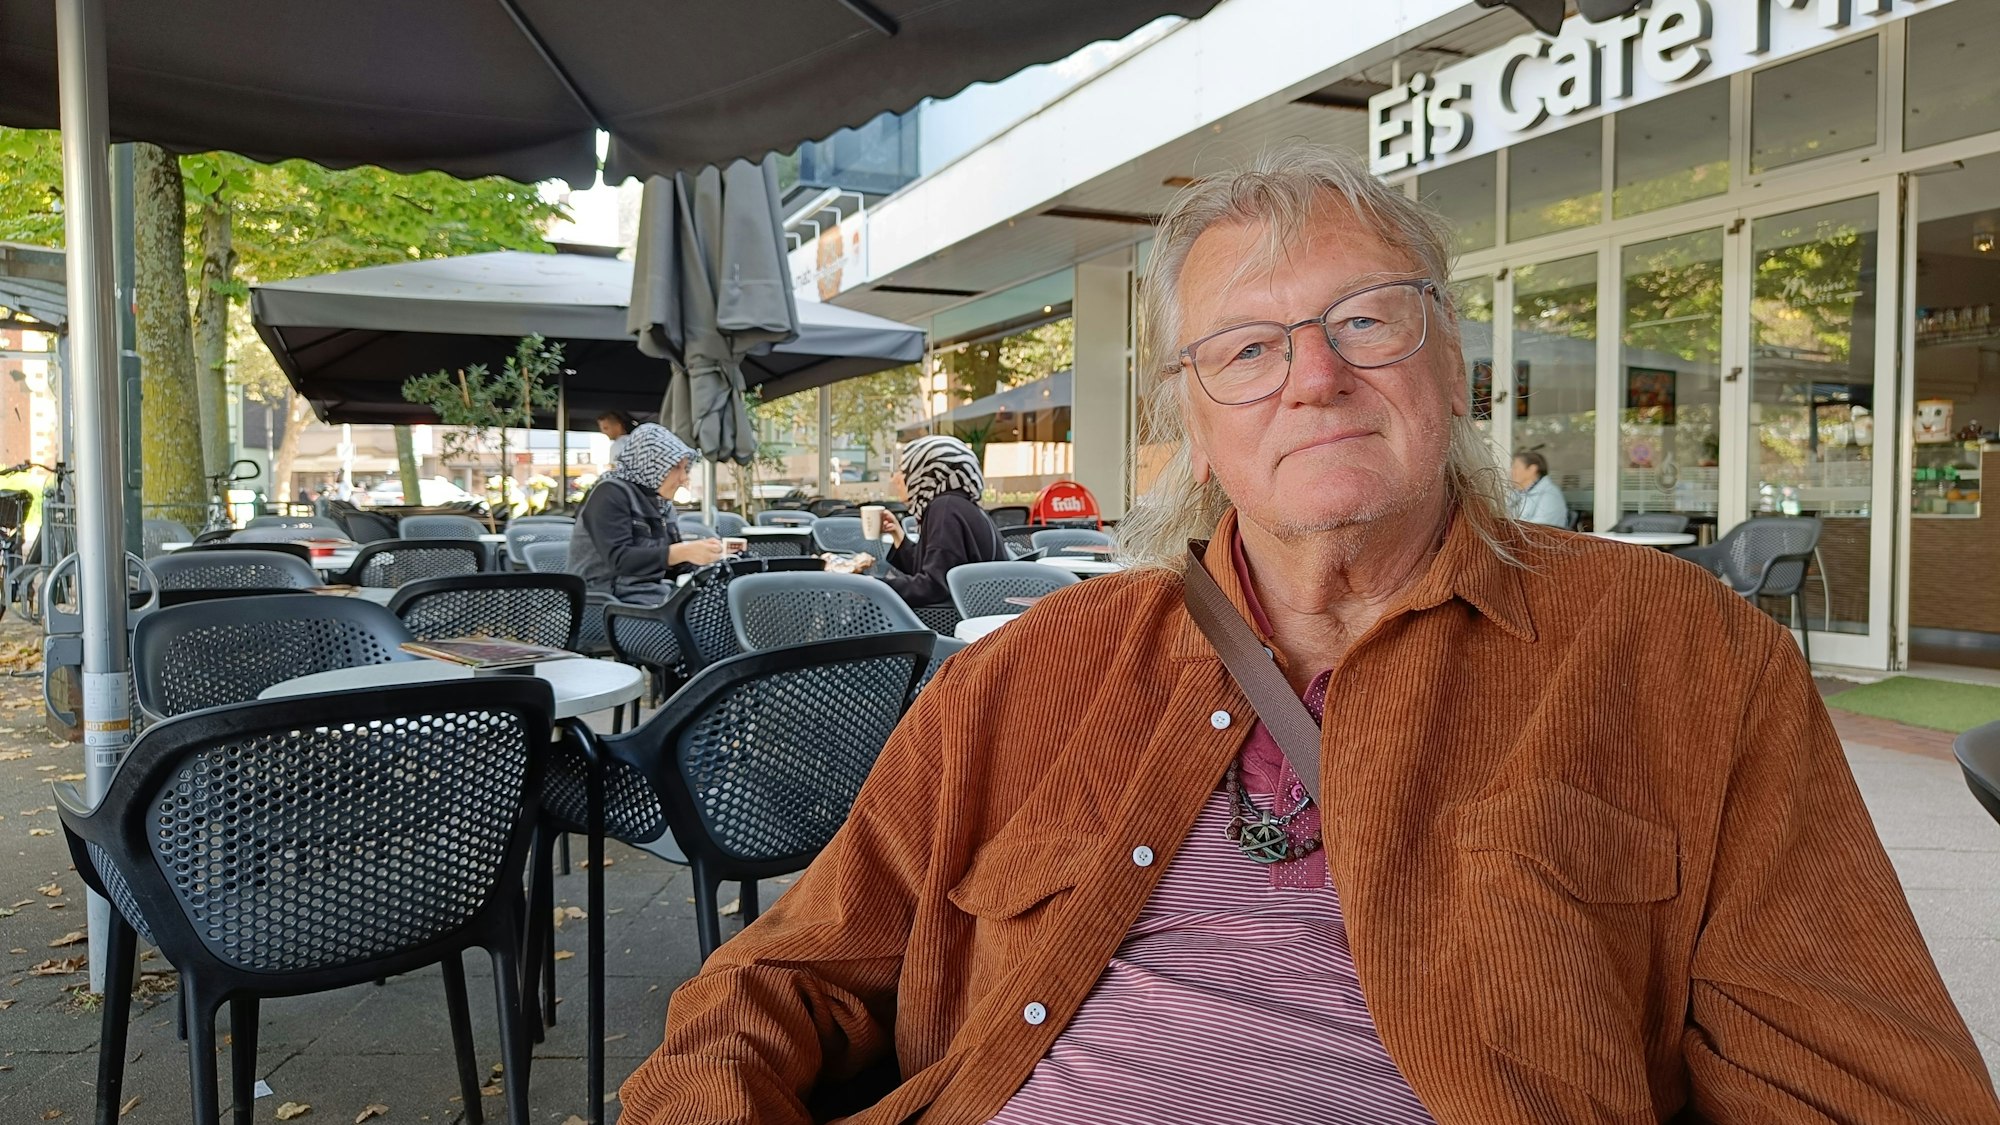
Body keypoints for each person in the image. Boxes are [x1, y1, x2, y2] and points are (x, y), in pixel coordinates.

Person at [618, 146, 1999, 1123]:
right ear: (1192, 422)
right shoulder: (1033, 675)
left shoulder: (1679, 651)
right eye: (1249, 348)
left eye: (1368, 321)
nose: (1317, 377)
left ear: (1452, 364)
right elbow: (777, 982)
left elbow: (1857, 1077)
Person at [567, 423, 723, 602]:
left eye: (685, 468)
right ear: (651, 463)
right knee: (703, 618)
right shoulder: (610, 493)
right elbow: (620, 560)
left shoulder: (661, 502)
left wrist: (712, 558)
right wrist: (682, 551)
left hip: (650, 593)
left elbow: (673, 566)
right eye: (676, 467)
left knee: (721, 603)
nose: (684, 478)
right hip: (606, 601)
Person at [852, 434, 1004, 609]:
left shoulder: (945, 510)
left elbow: (933, 587)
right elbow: (935, 570)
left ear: (924, 473)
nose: (896, 479)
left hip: (953, 622)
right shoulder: (958, 505)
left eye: (904, 470)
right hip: (980, 612)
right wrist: (898, 534)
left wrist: (871, 586)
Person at [1509, 450, 1569, 527]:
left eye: (1515, 467)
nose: (1511, 471)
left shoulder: (1550, 496)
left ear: (1532, 469)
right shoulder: (1518, 493)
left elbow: (1539, 531)